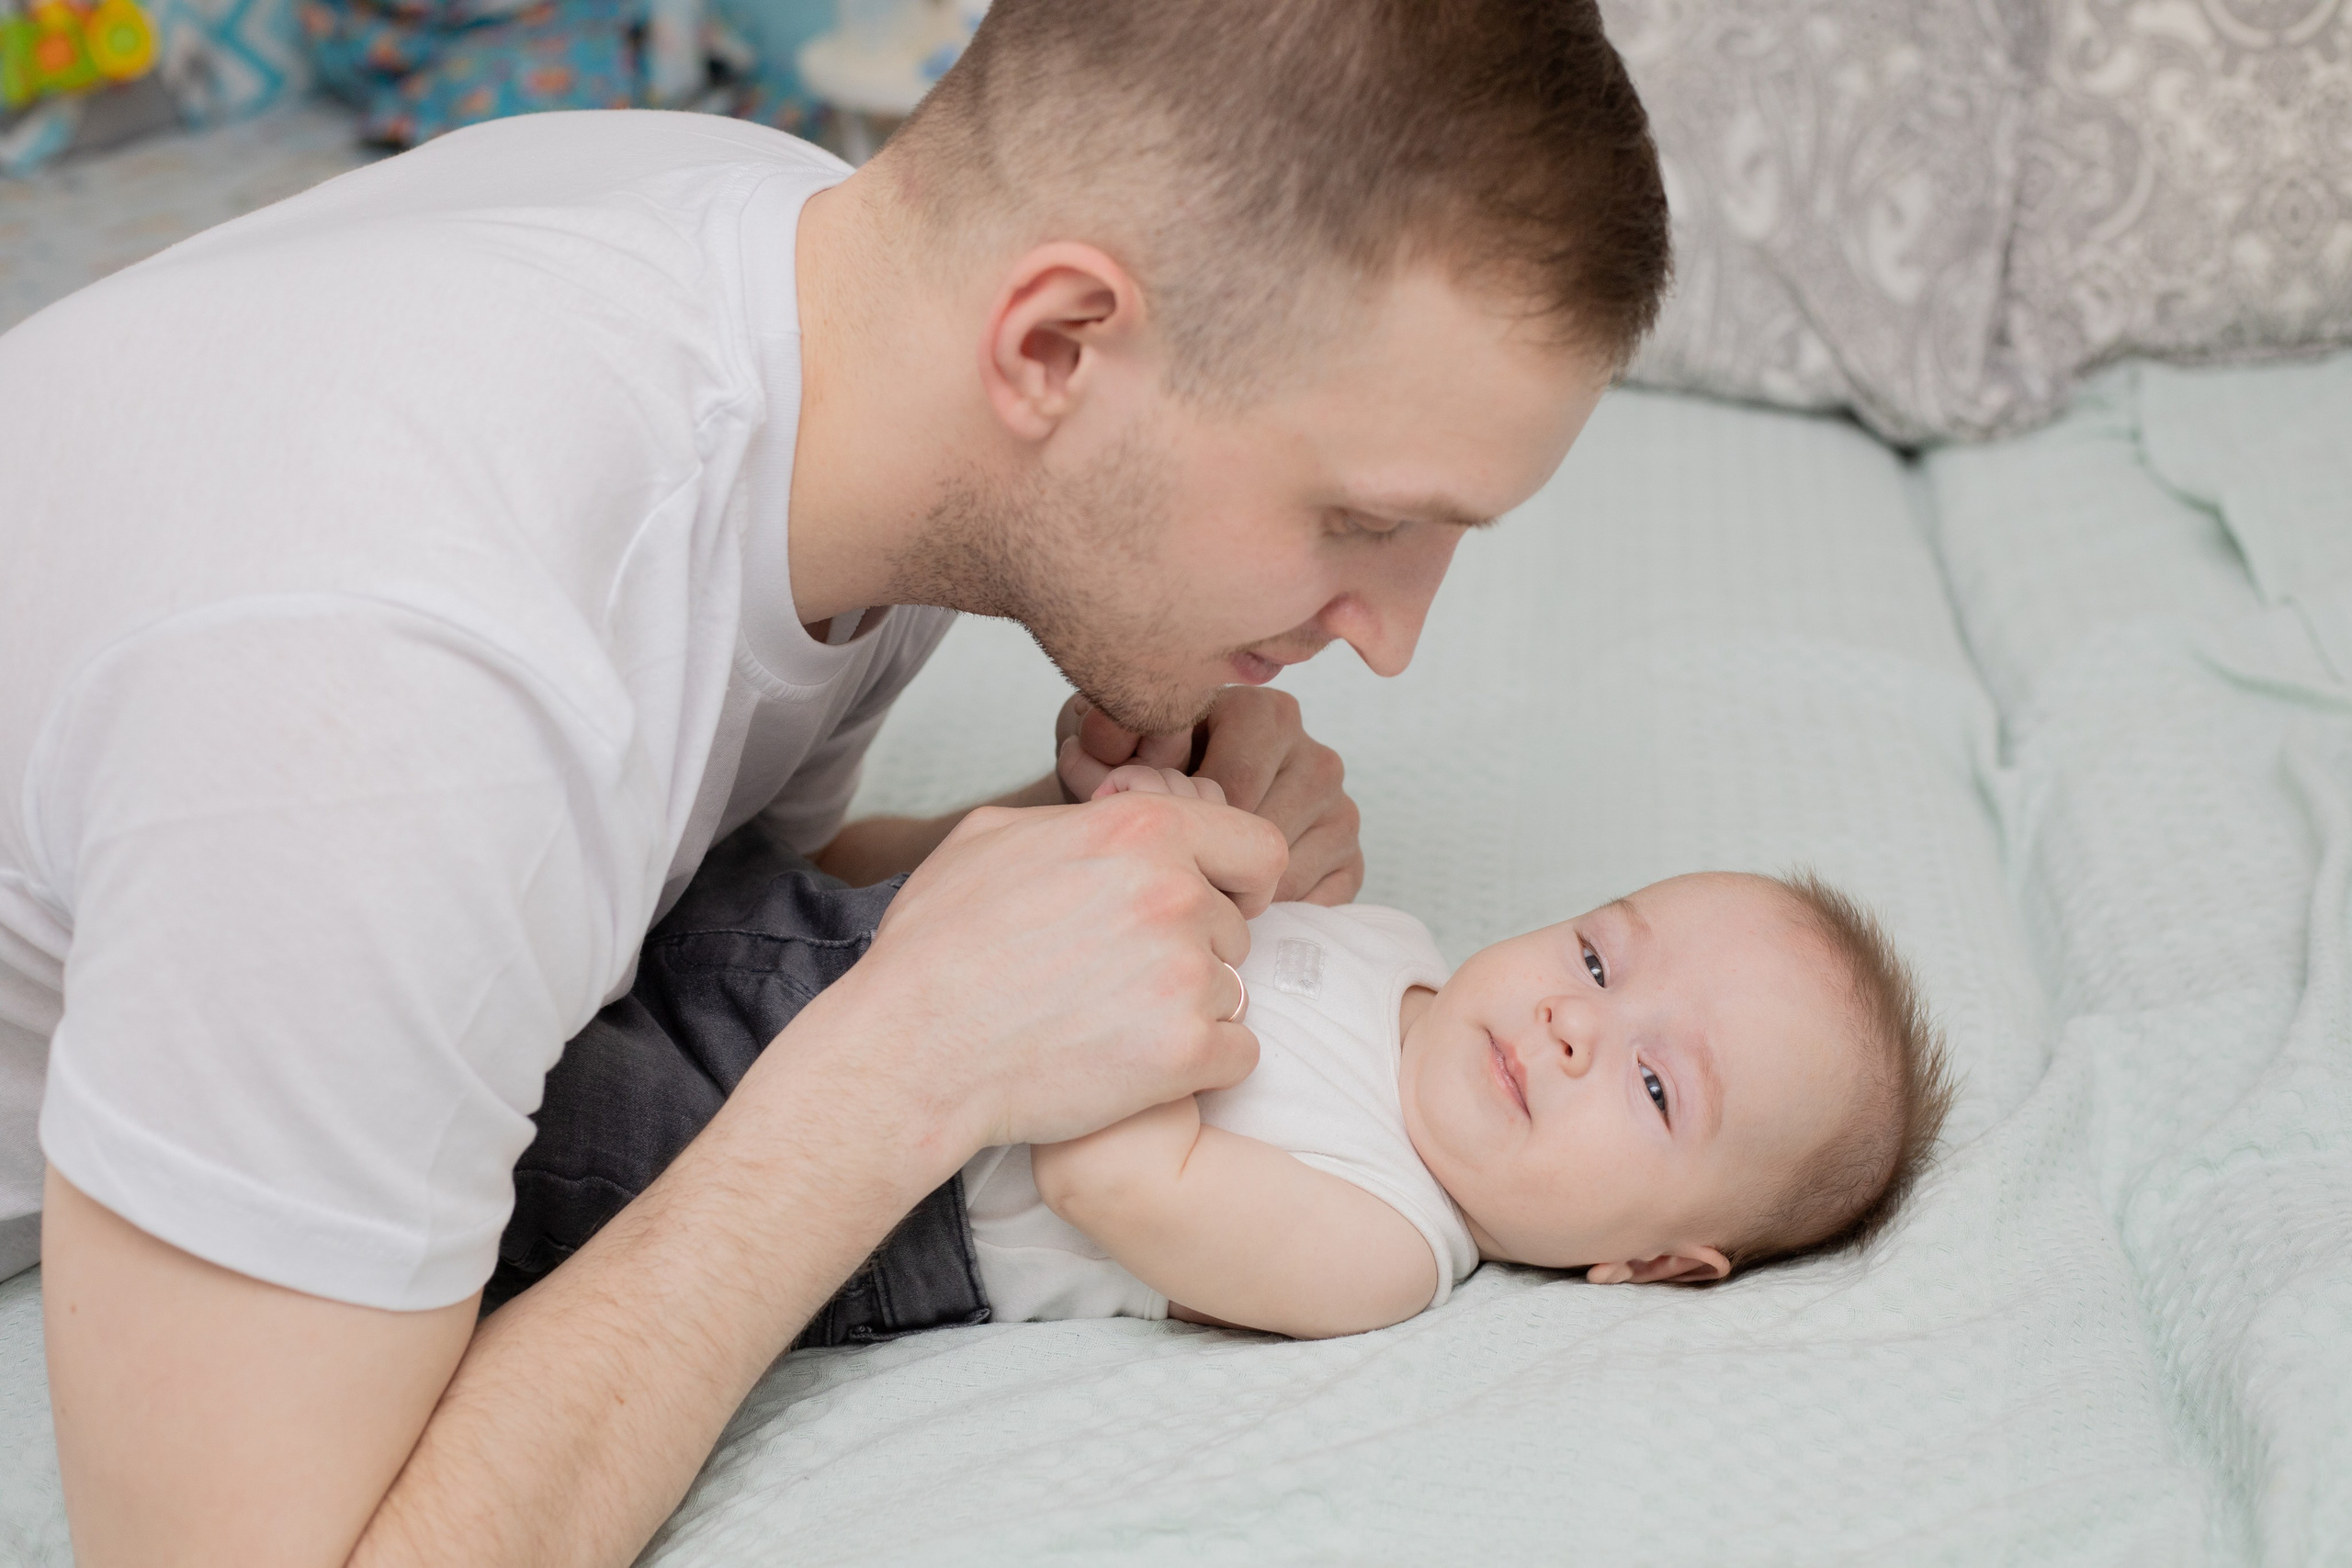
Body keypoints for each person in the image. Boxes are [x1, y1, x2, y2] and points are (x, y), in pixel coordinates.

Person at [0, 1, 1668, 1562]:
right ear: (1060, 345)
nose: (1391, 639)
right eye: (1366, 522)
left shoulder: (824, 308)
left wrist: (1062, 864)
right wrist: (908, 1070)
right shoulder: (402, 684)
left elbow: (610, 887)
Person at [498, 764, 1958, 1344]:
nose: (1579, 1023)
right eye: (1597, 954)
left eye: (1653, 1088)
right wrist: (1150, 804)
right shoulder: (1399, 944)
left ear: (1654, 1262)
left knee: (520, 1128)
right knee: (550, 899)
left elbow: (1109, 1177)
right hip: (849, 929)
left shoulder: (1385, 1246)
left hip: (860, 1178)